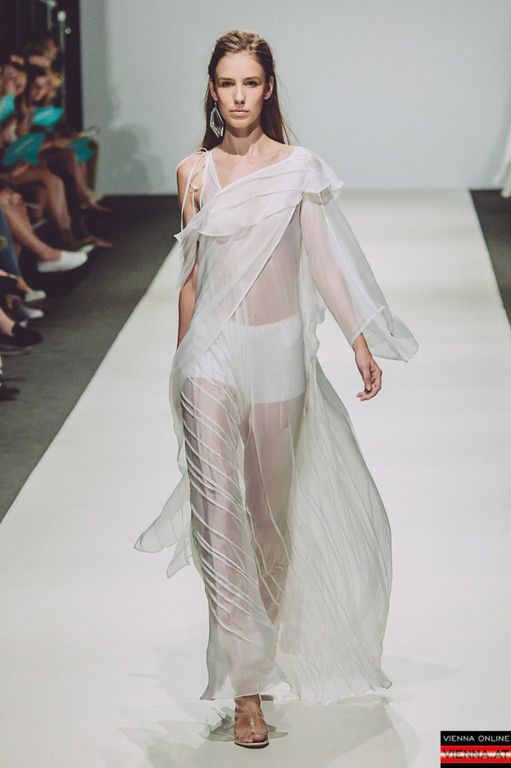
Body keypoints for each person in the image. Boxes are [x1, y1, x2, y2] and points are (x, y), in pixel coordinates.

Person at [134, 29, 419, 749]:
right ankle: (246, 689)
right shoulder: (192, 173)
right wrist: (179, 362)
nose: (238, 96)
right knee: (218, 519)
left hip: (279, 355)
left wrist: (357, 340)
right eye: (227, 83)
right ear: (211, 89)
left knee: (269, 521)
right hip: (210, 357)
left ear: (268, 90)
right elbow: (192, 276)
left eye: (251, 83)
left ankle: (262, 655)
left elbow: (325, 262)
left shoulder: (299, 171)